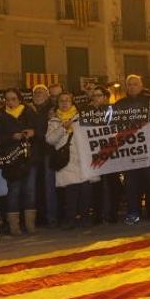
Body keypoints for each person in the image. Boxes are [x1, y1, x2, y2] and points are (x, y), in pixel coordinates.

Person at [46, 91, 97, 229]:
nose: (64, 103)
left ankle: (85, 218)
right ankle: (71, 220)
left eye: (67, 100)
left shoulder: (82, 118)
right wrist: (63, 128)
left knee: (85, 190)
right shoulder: (54, 121)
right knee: (71, 191)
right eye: (61, 100)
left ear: (72, 102)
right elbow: (50, 140)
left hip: (82, 159)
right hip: (66, 160)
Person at [116, 74, 150, 224]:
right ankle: (133, 212)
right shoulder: (120, 104)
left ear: (141, 86)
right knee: (131, 183)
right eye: (129, 84)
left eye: (135, 84)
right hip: (130, 152)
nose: (132, 87)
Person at [0, 88, 39, 234]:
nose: (11, 102)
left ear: (19, 99)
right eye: (8, 99)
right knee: (14, 191)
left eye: (13, 98)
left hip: (29, 158)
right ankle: (15, 226)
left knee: (30, 191)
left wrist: (33, 133)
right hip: (12, 159)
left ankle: (30, 225)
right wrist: (12, 137)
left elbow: (40, 131)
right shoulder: (0, 116)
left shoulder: (29, 112)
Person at [88, 86, 122, 224]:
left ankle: (113, 213)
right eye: (94, 96)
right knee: (97, 184)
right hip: (95, 153)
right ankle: (98, 214)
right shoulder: (88, 112)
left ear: (105, 97)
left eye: (98, 95)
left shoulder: (112, 111)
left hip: (110, 153)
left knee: (113, 183)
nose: (95, 98)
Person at [31, 84, 58, 226]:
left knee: (49, 187)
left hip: (48, 152)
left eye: (41, 91)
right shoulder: (28, 109)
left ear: (47, 95)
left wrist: (37, 134)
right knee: (35, 187)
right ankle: (38, 218)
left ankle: (51, 217)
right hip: (33, 154)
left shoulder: (53, 109)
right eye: (36, 92)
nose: (38, 94)